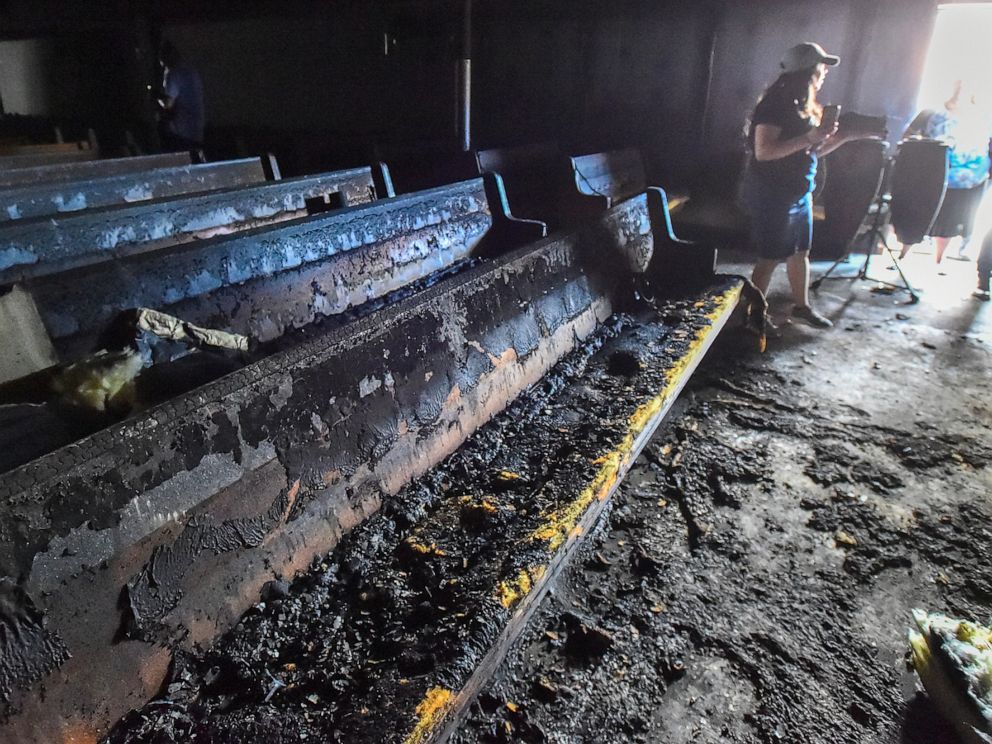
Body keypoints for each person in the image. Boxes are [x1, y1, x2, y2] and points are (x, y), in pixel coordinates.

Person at [741, 42, 858, 330]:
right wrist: (811, 137)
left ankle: (801, 307)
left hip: (797, 192)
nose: (826, 70)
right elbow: (764, 152)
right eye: (822, 65)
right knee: (769, 257)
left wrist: (838, 138)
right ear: (806, 70)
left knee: (800, 252)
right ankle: (753, 315)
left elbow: (808, 151)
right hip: (773, 193)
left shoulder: (803, 104)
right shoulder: (775, 105)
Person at [898, 80, 992, 265]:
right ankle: (903, 254)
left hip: (966, 178)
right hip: (929, 175)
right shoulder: (931, 114)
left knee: (950, 221)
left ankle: (938, 260)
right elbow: (908, 137)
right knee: (917, 216)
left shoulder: (982, 118)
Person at [157, 41, 205, 158]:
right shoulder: (191, 71)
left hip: (182, 132)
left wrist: (157, 98)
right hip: (198, 129)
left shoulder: (173, 74)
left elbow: (168, 104)